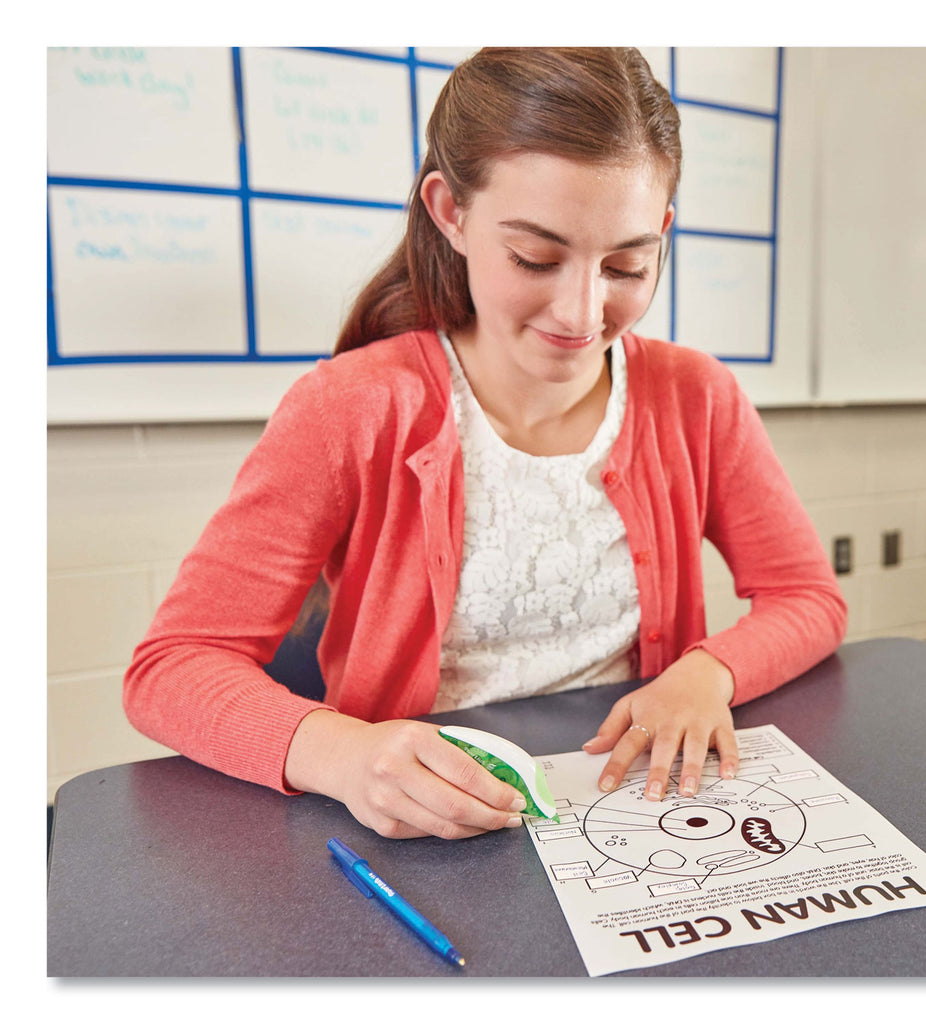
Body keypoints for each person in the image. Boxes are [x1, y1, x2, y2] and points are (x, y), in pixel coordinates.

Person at [124, 47, 846, 841]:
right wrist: (342, 755)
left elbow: (809, 597)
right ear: (451, 212)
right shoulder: (351, 406)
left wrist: (709, 671)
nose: (581, 313)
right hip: (428, 830)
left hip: (631, 811)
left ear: (663, 232)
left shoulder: (696, 397)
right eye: (535, 258)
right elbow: (173, 667)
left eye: (627, 265)